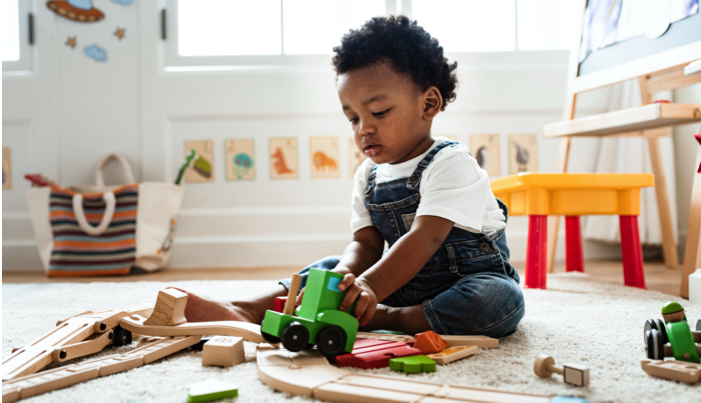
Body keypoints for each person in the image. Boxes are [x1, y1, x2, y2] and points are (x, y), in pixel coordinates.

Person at [175, 15, 525, 338]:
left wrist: (370, 288)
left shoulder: (451, 162)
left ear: (429, 104)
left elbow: (425, 238)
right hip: (396, 283)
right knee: (328, 268)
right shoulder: (368, 174)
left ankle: (388, 319)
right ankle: (247, 310)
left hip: (463, 282)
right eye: (353, 118)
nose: (364, 128)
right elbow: (367, 245)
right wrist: (344, 277)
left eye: (379, 112)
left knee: (496, 301)